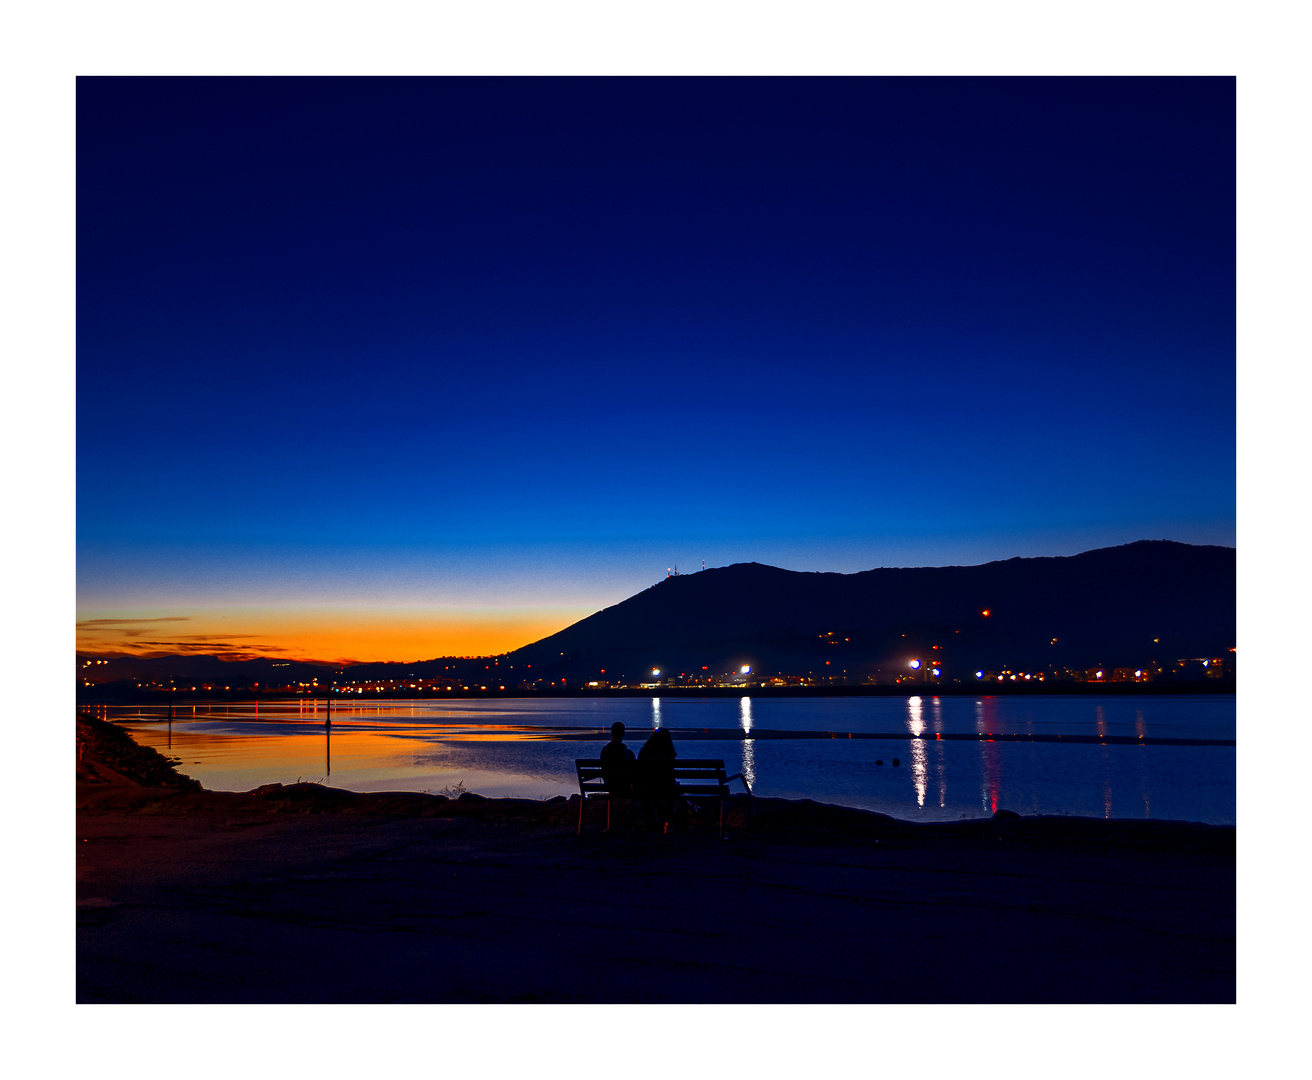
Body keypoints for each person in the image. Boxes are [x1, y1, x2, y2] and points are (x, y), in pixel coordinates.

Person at [638, 727, 679, 832]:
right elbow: (670, 774)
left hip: (647, 788)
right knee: (673, 788)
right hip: (666, 788)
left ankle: (650, 823)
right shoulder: (669, 753)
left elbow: (639, 771)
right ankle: (667, 821)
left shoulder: (644, 751)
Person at [599, 721, 636, 797]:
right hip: (624, 787)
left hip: (610, 785)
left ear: (611, 733)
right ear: (623, 734)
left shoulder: (605, 752)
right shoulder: (628, 753)